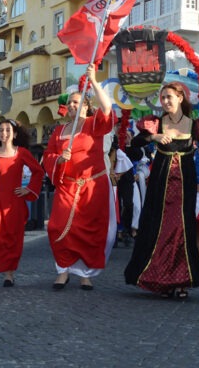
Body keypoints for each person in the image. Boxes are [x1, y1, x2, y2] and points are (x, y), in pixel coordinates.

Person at [124, 82, 199, 299]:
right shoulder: (155, 123)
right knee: (161, 228)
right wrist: (154, 137)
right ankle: (162, 279)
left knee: (182, 228)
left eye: (169, 97)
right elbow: (135, 143)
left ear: (180, 98)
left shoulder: (196, 125)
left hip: (184, 186)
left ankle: (182, 281)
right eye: (162, 98)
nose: (165, 101)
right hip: (161, 184)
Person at [42, 63, 115, 291]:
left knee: (89, 233)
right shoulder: (59, 131)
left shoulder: (94, 125)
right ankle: (63, 270)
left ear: (85, 106)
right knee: (57, 227)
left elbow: (107, 108)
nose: (72, 106)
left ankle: (85, 274)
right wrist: (58, 159)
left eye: (77, 102)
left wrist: (94, 81)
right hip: (67, 186)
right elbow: (47, 155)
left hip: (92, 187)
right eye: (70, 103)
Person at [0, 119, 44, 288]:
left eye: (8, 130)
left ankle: (9, 274)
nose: (4, 133)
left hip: (15, 201)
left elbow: (38, 171)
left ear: (14, 134)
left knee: (13, 237)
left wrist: (28, 189)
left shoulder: (22, 153)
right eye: (1, 130)